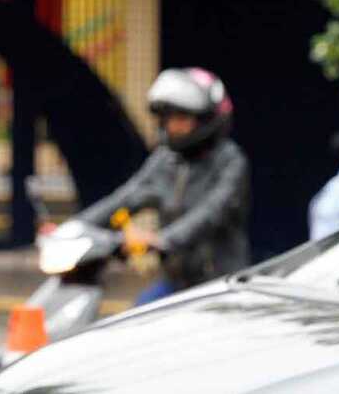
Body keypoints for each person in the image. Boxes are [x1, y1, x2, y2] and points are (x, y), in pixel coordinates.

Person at [75, 68, 250, 305]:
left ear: (206, 119)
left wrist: (163, 240)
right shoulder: (165, 161)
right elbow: (125, 197)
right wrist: (75, 227)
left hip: (221, 287)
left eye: (182, 119)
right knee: (135, 321)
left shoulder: (230, 162)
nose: (173, 127)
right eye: (169, 119)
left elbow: (209, 214)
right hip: (176, 284)